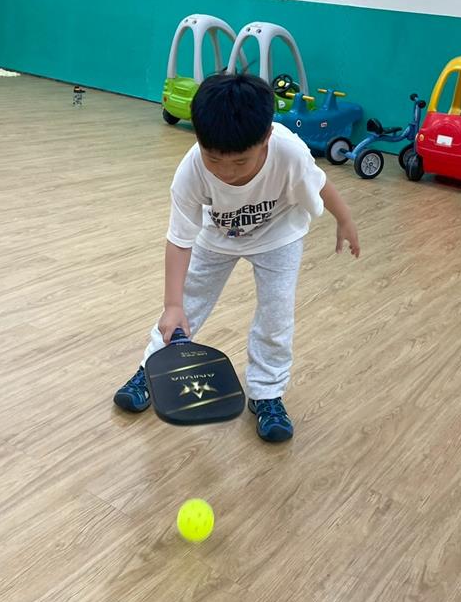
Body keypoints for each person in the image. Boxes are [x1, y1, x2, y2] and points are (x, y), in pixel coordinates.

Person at [114, 73, 360, 442]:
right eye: (214, 159)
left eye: (240, 162)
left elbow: (320, 183)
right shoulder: (191, 170)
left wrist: (345, 220)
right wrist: (172, 304)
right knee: (184, 305)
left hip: (278, 235)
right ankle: (152, 370)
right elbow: (179, 240)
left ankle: (267, 393)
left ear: (266, 137)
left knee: (277, 314)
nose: (226, 172)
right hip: (218, 235)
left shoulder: (289, 152)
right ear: (198, 139)